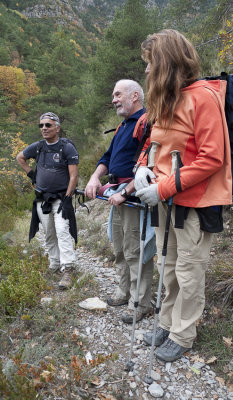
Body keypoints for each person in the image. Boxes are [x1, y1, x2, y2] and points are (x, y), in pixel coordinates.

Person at [134, 29, 232, 362]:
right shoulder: (167, 97)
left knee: (189, 271)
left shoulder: (203, 97)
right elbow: (152, 143)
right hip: (165, 200)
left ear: (166, 62)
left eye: (150, 63)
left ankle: (183, 334)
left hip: (192, 203)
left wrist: (161, 186)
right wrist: (140, 169)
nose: (146, 71)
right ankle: (166, 322)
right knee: (168, 266)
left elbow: (211, 157)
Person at [85, 79, 154, 324]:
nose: (113, 99)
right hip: (116, 194)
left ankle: (140, 303)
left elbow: (149, 164)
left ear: (134, 96)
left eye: (118, 94)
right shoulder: (124, 125)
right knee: (120, 247)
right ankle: (124, 291)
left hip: (132, 196)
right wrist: (95, 178)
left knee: (136, 250)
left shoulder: (147, 122)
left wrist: (125, 193)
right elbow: (107, 156)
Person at [16, 112, 79, 290]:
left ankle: (67, 269)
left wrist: (67, 198)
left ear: (57, 128)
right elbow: (20, 157)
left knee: (62, 231)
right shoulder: (38, 147)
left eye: (48, 125)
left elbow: (73, 176)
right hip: (42, 199)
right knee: (49, 233)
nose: (44, 128)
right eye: (41, 125)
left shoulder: (66, 147)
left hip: (60, 198)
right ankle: (55, 263)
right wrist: (32, 175)